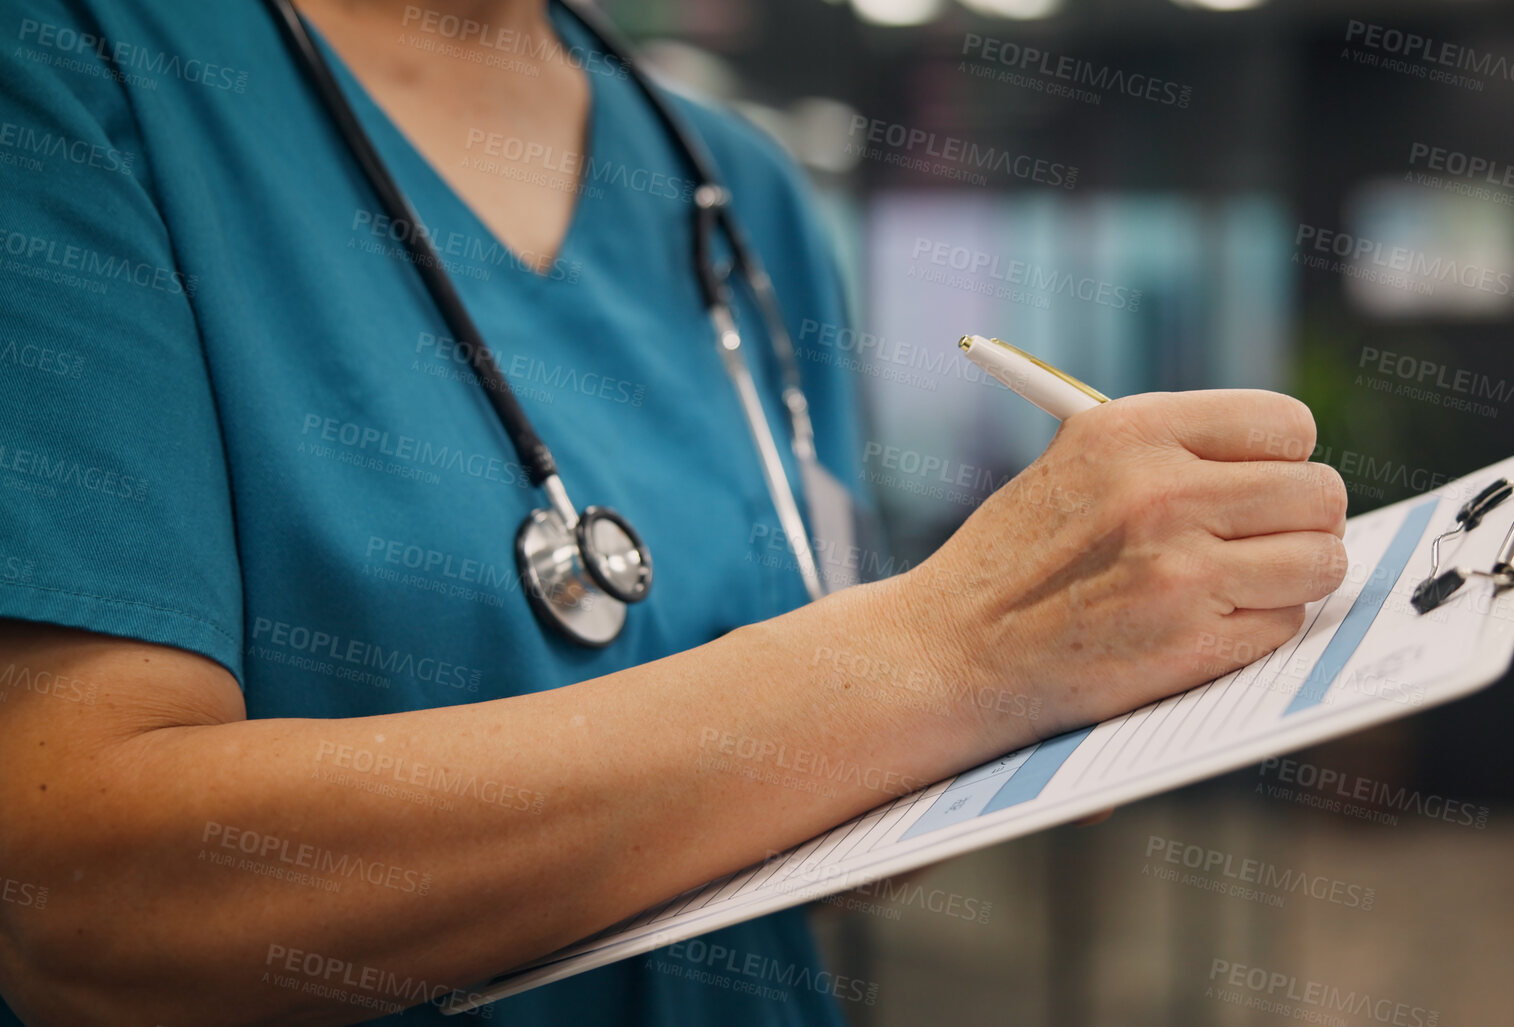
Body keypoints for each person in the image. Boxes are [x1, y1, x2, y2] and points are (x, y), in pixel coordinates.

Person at [0, 0, 1349, 1023]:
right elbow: (77, 901)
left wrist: (1026, 723)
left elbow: (820, 827)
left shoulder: (738, 195)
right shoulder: (79, 83)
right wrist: (955, 654)